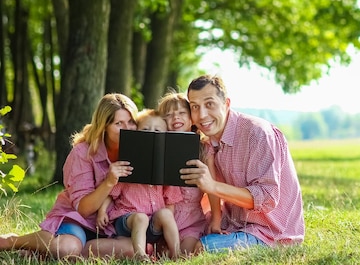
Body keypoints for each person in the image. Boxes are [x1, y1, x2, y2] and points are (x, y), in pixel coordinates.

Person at [0, 94, 138, 259]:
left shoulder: (138, 152)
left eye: (131, 122)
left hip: (111, 225)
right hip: (78, 219)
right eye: (119, 123)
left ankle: (48, 251)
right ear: (104, 126)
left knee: (132, 249)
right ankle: (13, 241)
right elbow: (84, 209)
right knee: (67, 249)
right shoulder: (82, 153)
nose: (127, 128)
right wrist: (108, 182)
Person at [180, 74, 305, 252]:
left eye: (210, 104)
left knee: (201, 248)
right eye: (195, 107)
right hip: (233, 223)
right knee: (180, 238)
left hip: (269, 233)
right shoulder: (208, 144)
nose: (202, 115)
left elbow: (267, 198)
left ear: (227, 104)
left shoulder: (257, 134)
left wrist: (212, 186)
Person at [97, 109, 182, 260]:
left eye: (157, 131)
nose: (151, 134)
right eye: (145, 130)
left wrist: (165, 222)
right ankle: (140, 255)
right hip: (127, 221)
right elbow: (111, 193)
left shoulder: (165, 168)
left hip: (152, 225)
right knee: (141, 218)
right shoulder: (127, 165)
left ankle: (177, 253)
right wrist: (102, 211)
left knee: (166, 213)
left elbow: (171, 202)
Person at [157, 91, 222, 256]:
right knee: (160, 255)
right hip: (161, 221)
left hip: (191, 221)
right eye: (169, 115)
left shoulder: (203, 149)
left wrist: (216, 218)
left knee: (185, 254)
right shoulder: (157, 148)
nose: (175, 118)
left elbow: (212, 188)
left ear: (192, 119)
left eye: (181, 113)